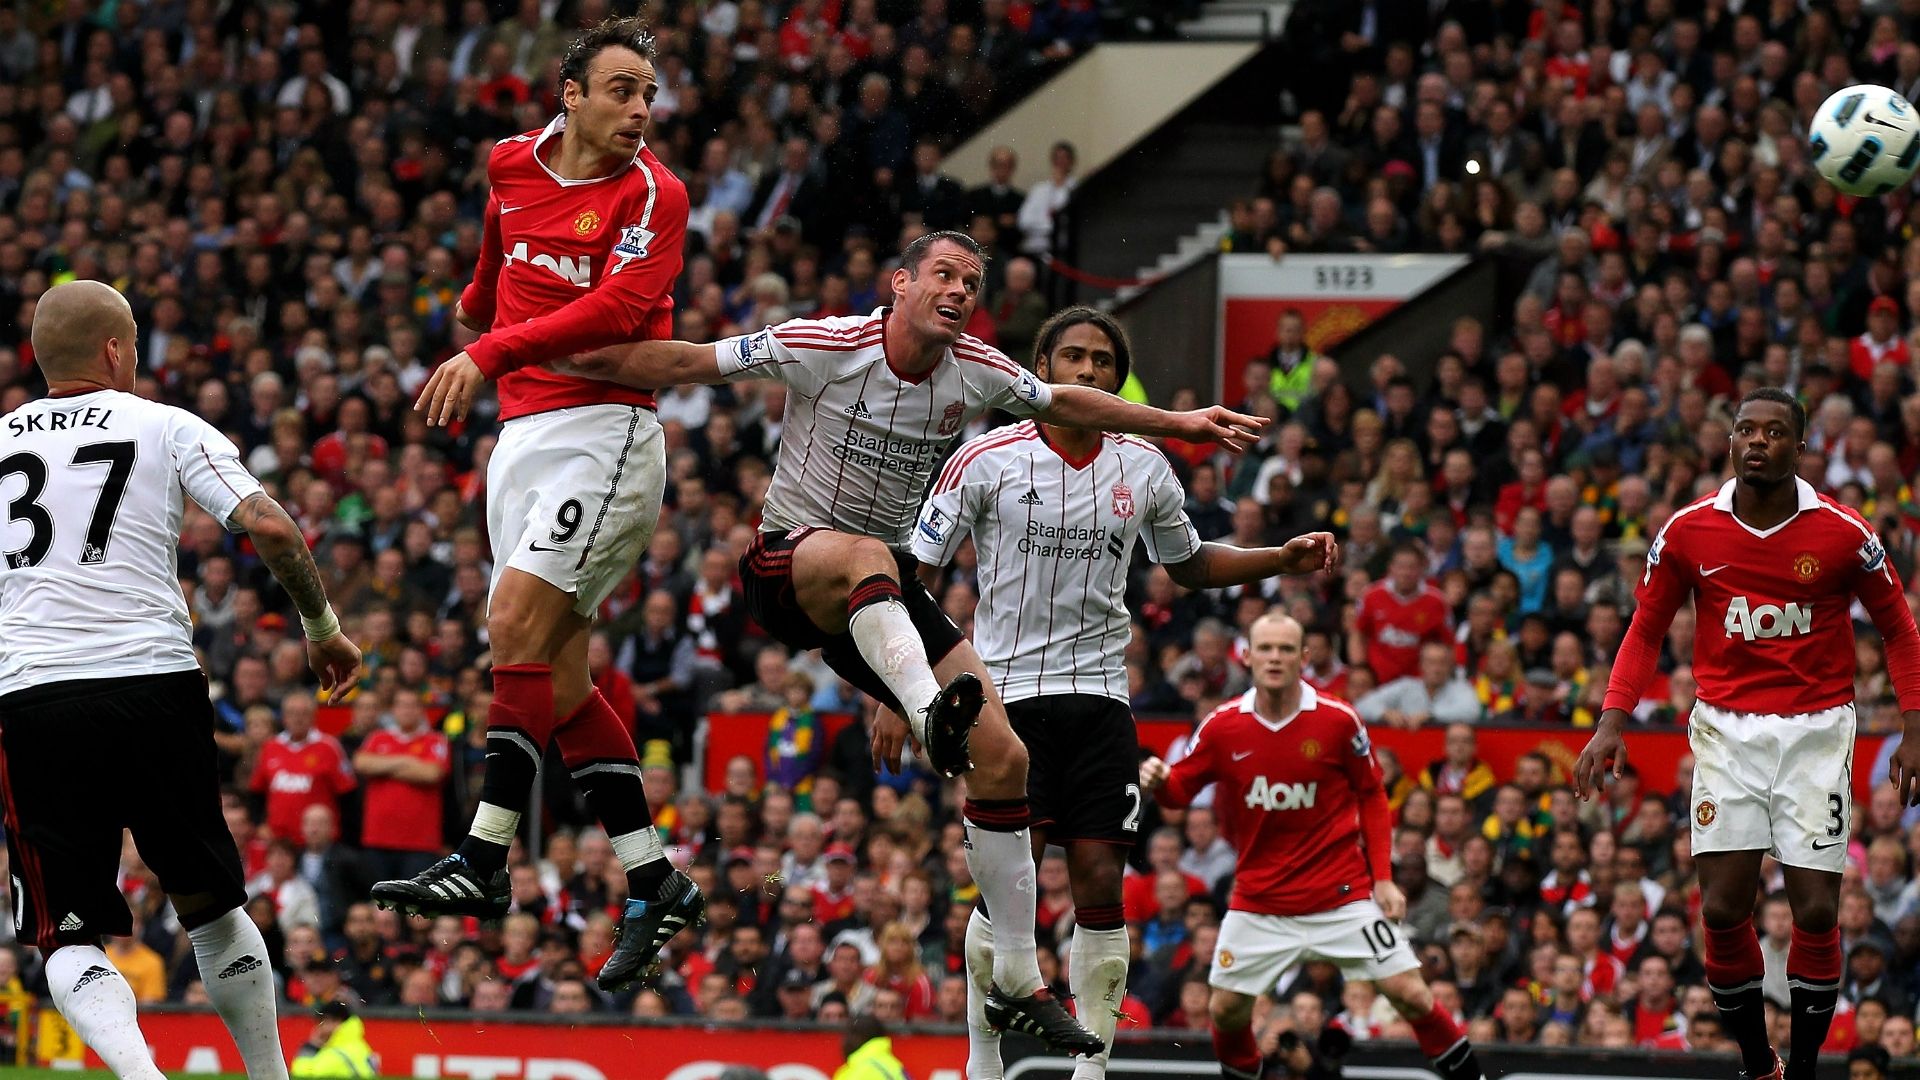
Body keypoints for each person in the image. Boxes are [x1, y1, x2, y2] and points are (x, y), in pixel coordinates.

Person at [546, 228, 1264, 1053]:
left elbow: (1067, 403)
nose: (960, 291)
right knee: (865, 557)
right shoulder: (823, 343)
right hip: (789, 567)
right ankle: (925, 706)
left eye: (973, 281)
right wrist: (563, 354)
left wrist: (1181, 422)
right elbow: (686, 363)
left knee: (1005, 759)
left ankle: (1021, 979)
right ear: (900, 282)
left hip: (884, 590)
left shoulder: (979, 370)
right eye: (945, 275)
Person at [910, 306, 1338, 1080]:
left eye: (1101, 360)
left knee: (1103, 878)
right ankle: (982, 1060)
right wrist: (897, 687)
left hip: (1102, 698)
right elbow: (919, 575)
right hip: (1003, 698)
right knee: (1011, 884)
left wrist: (1282, 557)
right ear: (1038, 367)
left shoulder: (1143, 466)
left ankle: (1092, 1068)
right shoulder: (985, 457)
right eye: (1070, 357)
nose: (1086, 371)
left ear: (1117, 374)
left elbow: (1192, 564)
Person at [374, 15, 702, 995]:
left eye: (648, 93)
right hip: (522, 440)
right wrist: (477, 308)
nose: (640, 109)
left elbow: (614, 313)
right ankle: (655, 878)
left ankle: (481, 860)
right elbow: (495, 257)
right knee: (552, 679)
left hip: (606, 436)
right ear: (570, 93)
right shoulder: (511, 163)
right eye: (621, 89)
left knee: (511, 624)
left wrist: (485, 351)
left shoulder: (655, 193)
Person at [0, 281, 363, 1080]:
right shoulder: (165, 425)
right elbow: (267, 524)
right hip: (154, 682)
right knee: (210, 903)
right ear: (114, 350)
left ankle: (141, 1075)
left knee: (66, 932)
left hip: (33, 695)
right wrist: (321, 629)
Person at [1576, 386, 1920, 1080]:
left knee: (1818, 911)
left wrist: (1914, 728)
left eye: (1771, 432)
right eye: (1744, 430)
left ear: (1799, 448)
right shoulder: (1688, 530)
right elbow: (1644, 629)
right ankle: (1759, 1064)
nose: (1755, 441)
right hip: (1727, 732)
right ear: (1730, 443)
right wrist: (1612, 719)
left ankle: (1804, 1064)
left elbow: (1899, 630)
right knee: (1726, 905)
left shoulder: (1844, 533)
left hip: (1816, 731)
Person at [1138, 613, 1488, 1080]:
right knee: (1225, 1012)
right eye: (1265, 648)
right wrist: (1160, 781)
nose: (1275, 658)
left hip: (1340, 897)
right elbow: (1180, 792)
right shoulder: (1222, 726)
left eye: (1286, 649)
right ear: (1247, 656)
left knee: (1412, 992)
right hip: (1260, 902)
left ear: (1304, 657)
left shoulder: (1337, 720)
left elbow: (1372, 792)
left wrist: (1382, 879)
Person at [290, 1001, 379, 1078]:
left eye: (323, 1022)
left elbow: (300, 1075)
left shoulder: (336, 1055)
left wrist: (311, 1046)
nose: (320, 1028)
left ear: (337, 1022)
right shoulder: (359, 1046)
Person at [833, 1015, 907, 1080]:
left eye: (847, 1036)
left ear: (859, 1037)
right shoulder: (892, 1064)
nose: (843, 1042)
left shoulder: (861, 1071)